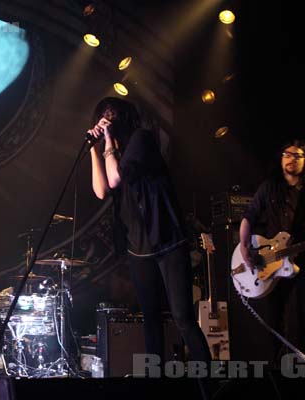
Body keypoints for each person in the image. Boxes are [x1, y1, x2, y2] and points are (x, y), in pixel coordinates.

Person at [88, 97, 212, 369]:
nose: (106, 120)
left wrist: (107, 142)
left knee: (183, 317)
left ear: (124, 117)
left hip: (167, 242)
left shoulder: (141, 139)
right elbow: (101, 190)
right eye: (103, 116)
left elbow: (116, 179)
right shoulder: (112, 152)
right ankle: (156, 387)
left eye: (112, 115)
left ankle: (207, 382)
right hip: (138, 248)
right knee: (150, 319)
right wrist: (93, 150)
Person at [239, 139, 305, 365]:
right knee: (277, 317)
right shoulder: (268, 187)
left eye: (297, 156)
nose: (291, 159)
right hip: (274, 260)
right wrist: (244, 247)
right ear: (281, 158)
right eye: (287, 154)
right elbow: (248, 217)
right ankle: (278, 373)